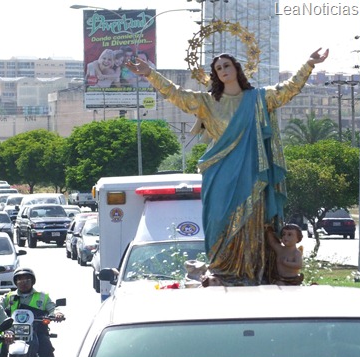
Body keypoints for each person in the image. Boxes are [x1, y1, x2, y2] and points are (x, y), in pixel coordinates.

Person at [127, 48, 329, 286]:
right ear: (214, 74)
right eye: (218, 68)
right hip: (219, 171)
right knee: (218, 220)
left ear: (237, 69)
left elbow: (288, 89)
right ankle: (221, 269)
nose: (223, 70)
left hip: (251, 172)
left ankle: (252, 272)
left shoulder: (258, 98)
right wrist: (150, 73)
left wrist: (309, 64)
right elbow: (175, 93)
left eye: (227, 65)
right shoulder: (207, 102)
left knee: (251, 219)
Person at [2, 267, 64, 357]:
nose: (23, 283)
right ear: (15, 282)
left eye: (27, 280)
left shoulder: (42, 296)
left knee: (47, 350)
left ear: (32, 281)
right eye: (20, 280)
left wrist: (58, 314)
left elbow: (53, 308)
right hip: (12, 331)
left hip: (37, 330)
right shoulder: (9, 297)